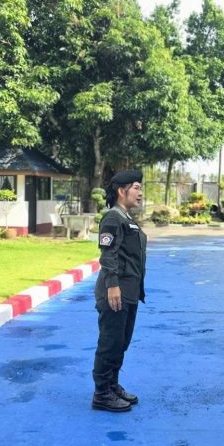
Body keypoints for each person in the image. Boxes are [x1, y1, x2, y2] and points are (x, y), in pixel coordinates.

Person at [92, 170, 147, 413]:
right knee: (110, 342)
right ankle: (102, 393)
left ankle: (112, 385)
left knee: (121, 342)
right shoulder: (113, 218)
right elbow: (108, 254)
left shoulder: (127, 218)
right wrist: (112, 285)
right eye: (136, 187)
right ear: (121, 191)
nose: (140, 192)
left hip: (129, 292)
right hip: (115, 292)